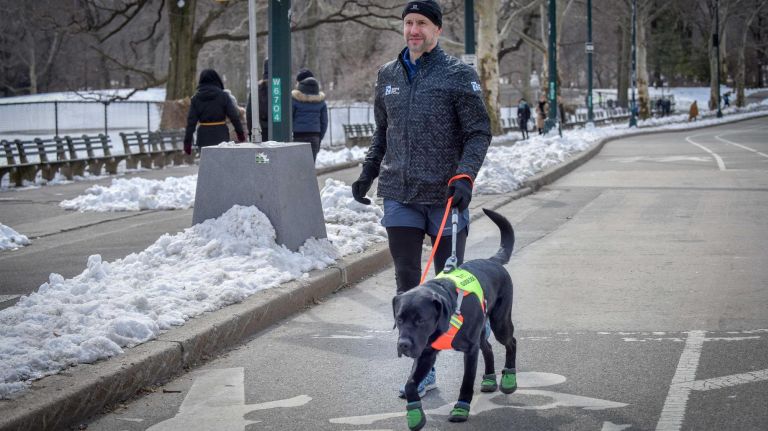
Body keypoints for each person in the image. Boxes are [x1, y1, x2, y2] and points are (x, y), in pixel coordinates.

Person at [350, 0, 491, 399]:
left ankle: (477, 329)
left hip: (446, 196)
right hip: (399, 194)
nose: (413, 30)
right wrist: (368, 172)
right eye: (408, 22)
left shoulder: (458, 75)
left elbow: (479, 131)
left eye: (422, 23)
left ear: (437, 30)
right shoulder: (388, 75)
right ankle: (422, 369)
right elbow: (383, 132)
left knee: (448, 287)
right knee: (408, 284)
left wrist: (465, 175)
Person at [184, 69, 245, 155]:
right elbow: (233, 116)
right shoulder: (223, 96)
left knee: (206, 164)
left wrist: (187, 143)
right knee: (222, 164)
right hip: (221, 135)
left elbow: (191, 122)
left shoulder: (196, 98)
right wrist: (240, 133)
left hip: (203, 136)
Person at [291, 68, 328, 162]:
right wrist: (319, 137)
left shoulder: (294, 98)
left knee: (296, 166)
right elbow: (324, 122)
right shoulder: (321, 100)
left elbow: (290, 119)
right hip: (314, 136)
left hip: (297, 136)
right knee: (310, 167)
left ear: (300, 83)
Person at [246, 58, 270, 142]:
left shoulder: (256, 89)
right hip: (280, 131)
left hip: (261, 132)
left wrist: (250, 132)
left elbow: (249, 113)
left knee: (262, 155)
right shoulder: (282, 88)